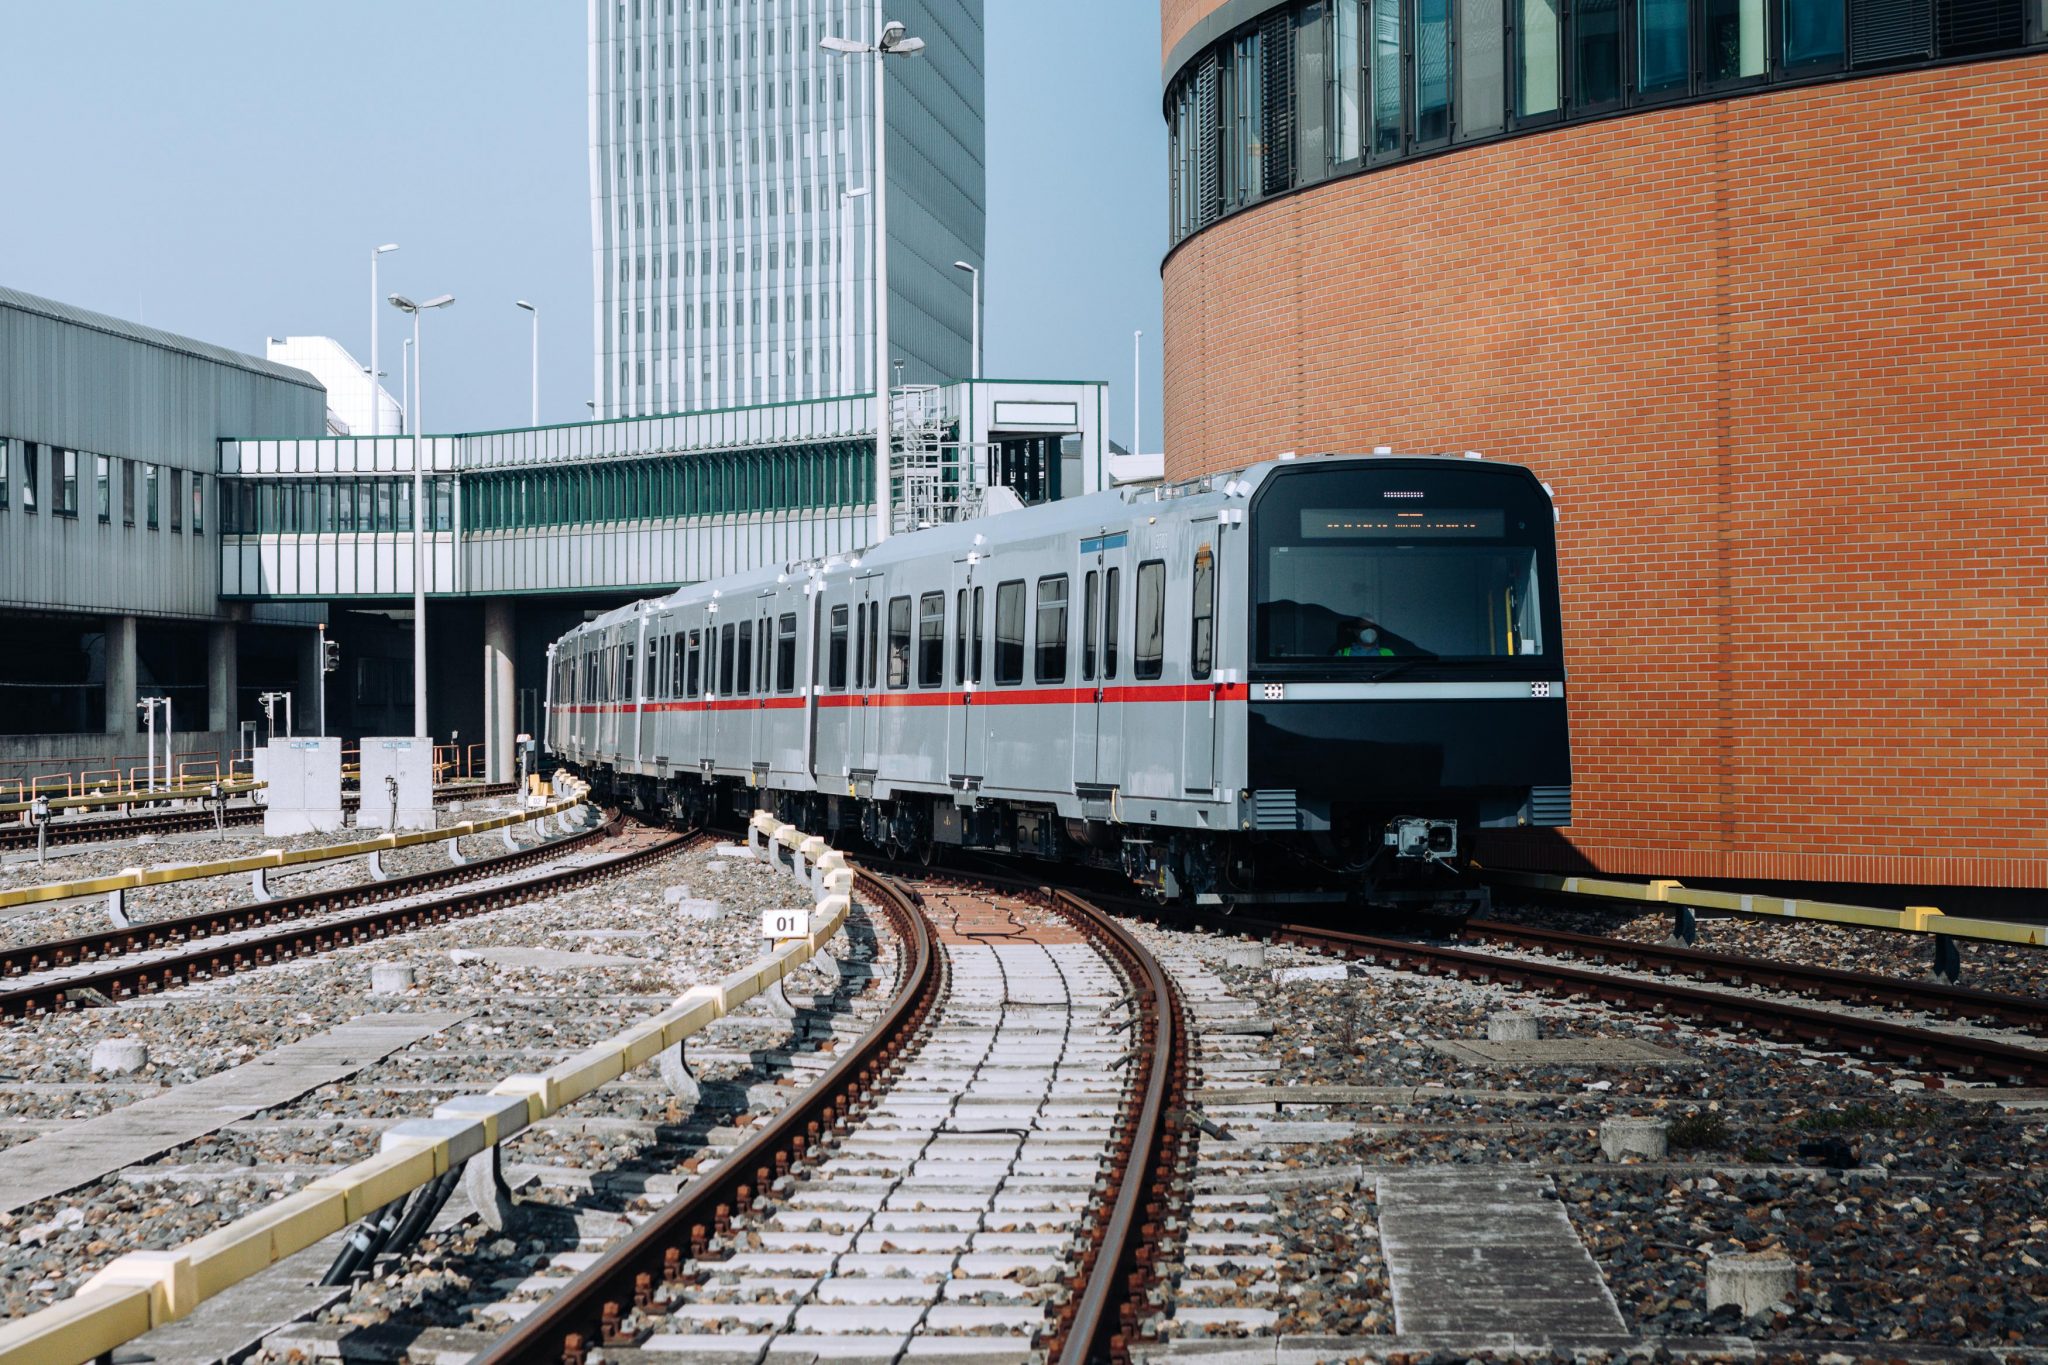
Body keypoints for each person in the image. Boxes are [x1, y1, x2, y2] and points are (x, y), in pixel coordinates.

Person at [1335, 616, 1422, 657]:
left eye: (1372, 627)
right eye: (1364, 628)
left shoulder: (1389, 653)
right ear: (1355, 630)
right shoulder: (1342, 653)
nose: (1369, 631)